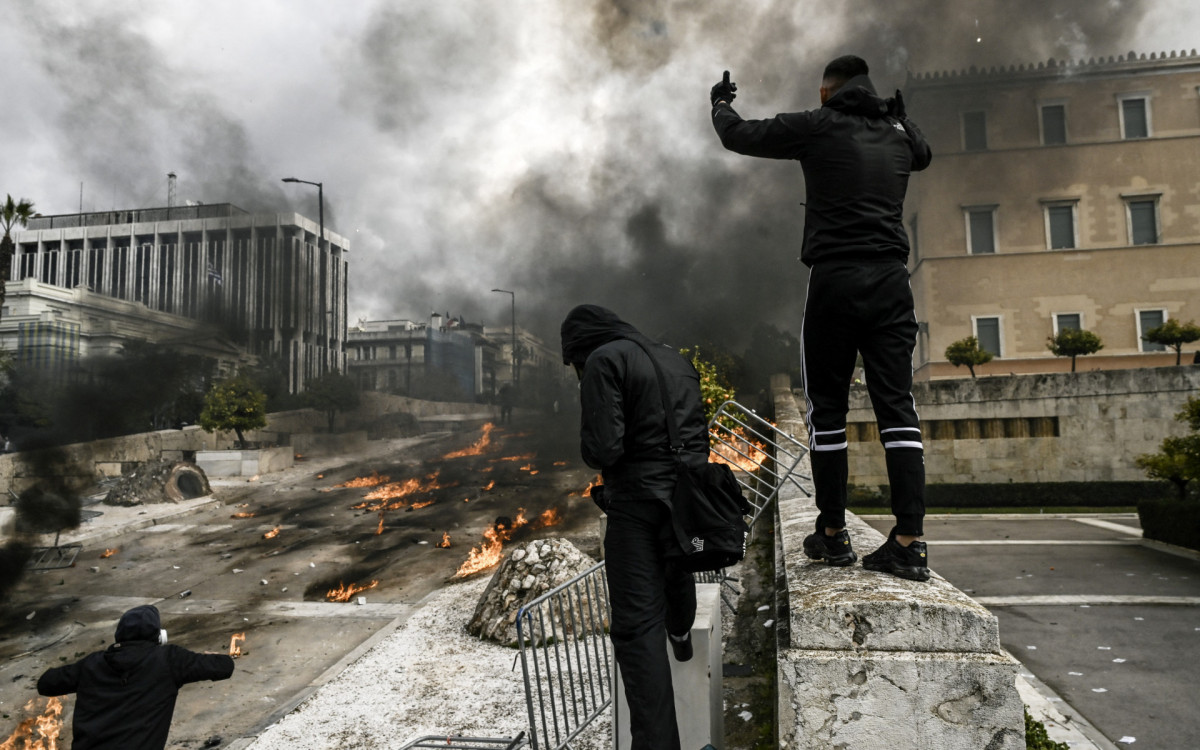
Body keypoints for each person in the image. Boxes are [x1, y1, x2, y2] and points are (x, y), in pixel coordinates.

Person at [710, 55, 933, 582]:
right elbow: (923, 153)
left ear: (827, 91)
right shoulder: (899, 131)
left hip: (836, 281)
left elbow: (739, 136)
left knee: (826, 412)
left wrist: (720, 103)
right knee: (897, 407)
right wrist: (899, 114)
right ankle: (910, 541)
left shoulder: (818, 124)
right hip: (891, 283)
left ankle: (832, 535)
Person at [561, 304, 706, 750]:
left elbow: (603, 448)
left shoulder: (605, 360)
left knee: (637, 631)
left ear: (581, 347)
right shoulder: (674, 357)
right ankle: (681, 632)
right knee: (677, 568)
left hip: (635, 505)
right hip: (687, 496)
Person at [37, 604, 235, 749]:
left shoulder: (91, 664)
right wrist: (214, 657)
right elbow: (224, 667)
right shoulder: (169, 660)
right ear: (159, 637)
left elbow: (45, 683)